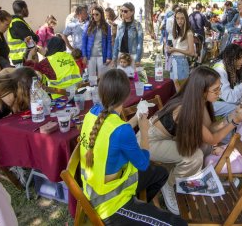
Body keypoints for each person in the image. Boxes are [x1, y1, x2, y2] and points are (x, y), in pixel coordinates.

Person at [79, 69, 186, 225]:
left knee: (160, 173)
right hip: (110, 204)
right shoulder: (121, 130)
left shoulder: (92, 114)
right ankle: (133, 214)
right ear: (127, 95)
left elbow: (114, 132)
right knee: (179, 224)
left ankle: (139, 210)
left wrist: (136, 118)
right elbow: (143, 163)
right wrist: (143, 130)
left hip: (93, 188)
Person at [140, 66, 242, 214]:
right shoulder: (185, 108)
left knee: (202, 148)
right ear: (202, 90)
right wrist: (234, 122)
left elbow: (209, 129)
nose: (219, 92)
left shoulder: (198, 101)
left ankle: (201, 181)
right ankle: (168, 185)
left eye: (219, 87)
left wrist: (230, 117)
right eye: (215, 90)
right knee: (194, 156)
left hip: (161, 138)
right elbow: (212, 138)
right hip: (148, 142)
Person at [212, 44, 242, 118]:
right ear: (230, 57)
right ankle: (230, 129)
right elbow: (228, 98)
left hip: (219, 99)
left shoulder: (228, 66)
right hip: (210, 103)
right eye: (239, 58)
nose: (241, 62)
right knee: (235, 109)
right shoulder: (220, 70)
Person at [82, 6, 112, 78]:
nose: (94, 16)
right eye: (93, 14)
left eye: (97, 14)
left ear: (101, 14)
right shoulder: (88, 25)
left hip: (102, 56)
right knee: (91, 77)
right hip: (90, 56)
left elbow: (109, 42)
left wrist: (109, 56)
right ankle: (92, 89)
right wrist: (84, 55)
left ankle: (101, 89)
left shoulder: (106, 26)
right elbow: (84, 41)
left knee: (102, 77)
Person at [166, 7, 195, 82]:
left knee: (181, 90)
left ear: (186, 19)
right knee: (177, 88)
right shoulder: (178, 32)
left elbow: (191, 53)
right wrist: (170, 49)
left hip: (181, 62)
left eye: (182, 18)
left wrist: (175, 49)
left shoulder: (189, 33)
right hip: (174, 61)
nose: (179, 21)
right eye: (177, 18)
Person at [7, 0, 39, 65]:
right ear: (24, 9)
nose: (28, 10)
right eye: (27, 8)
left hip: (23, 57)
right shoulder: (17, 23)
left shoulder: (18, 21)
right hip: (21, 59)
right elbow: (32, 38)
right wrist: (36, 37)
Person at [112, 2, 144, 67]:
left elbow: (140, 43)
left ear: (132, 12)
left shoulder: (137, 25)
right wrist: (114, 57)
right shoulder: (120, 25)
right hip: (121, 56)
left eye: (125, 11)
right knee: (120, 76)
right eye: (121, 11)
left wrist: (137, 59)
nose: (123, 13)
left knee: (131, 76)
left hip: (132, 55)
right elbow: (117, 42)